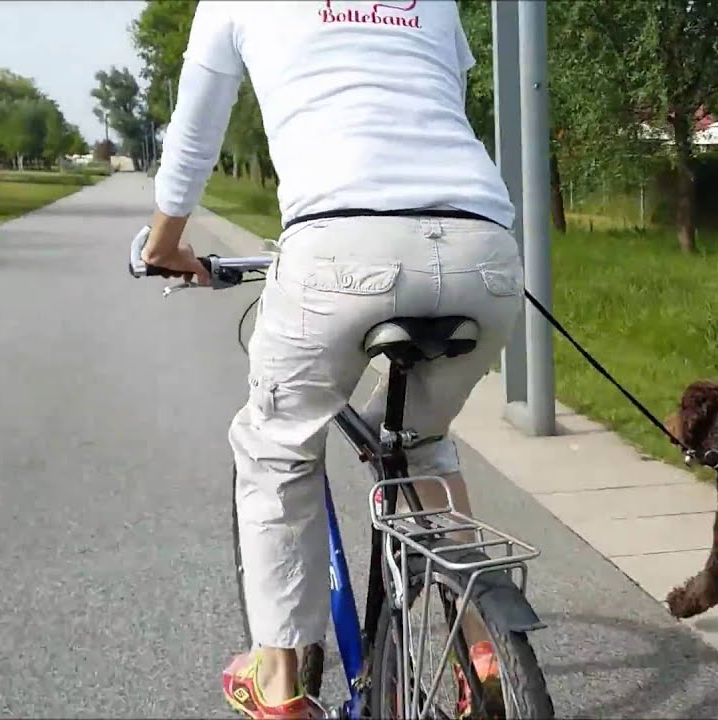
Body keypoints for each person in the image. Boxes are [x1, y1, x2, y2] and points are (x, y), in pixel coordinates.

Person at [140, 1, 521, 717]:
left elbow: (193, 135)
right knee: (417, 442)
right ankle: (483, 651)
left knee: (276, 446)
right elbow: (440, 101)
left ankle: (278, 682)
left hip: (339, 249)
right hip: (484, 247)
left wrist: (164, 245)